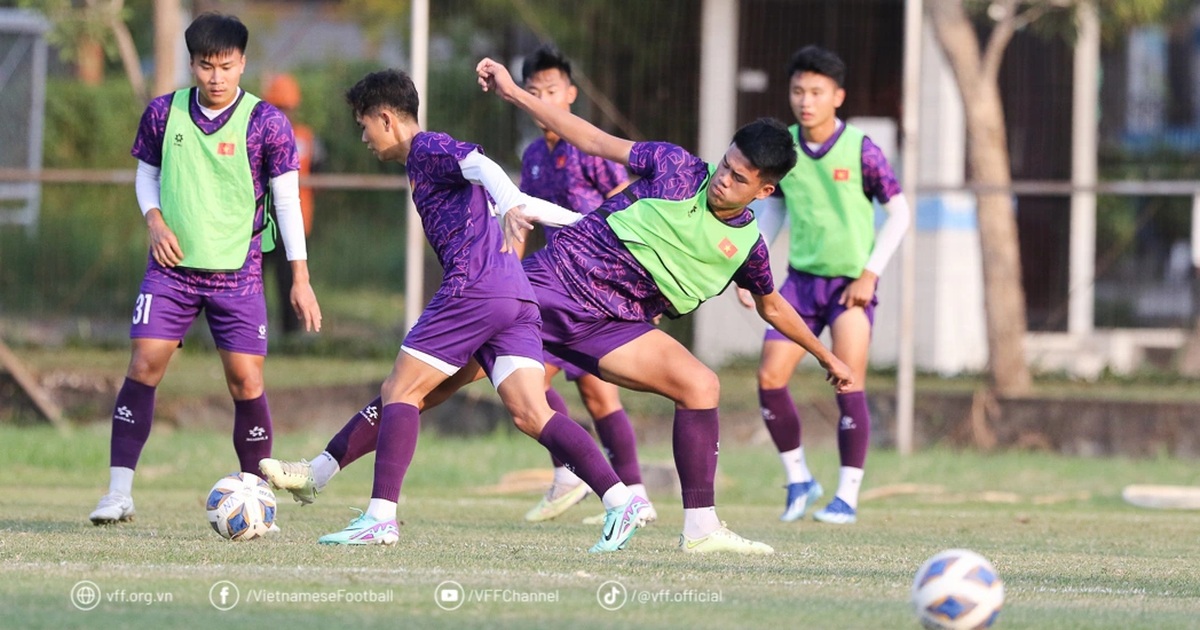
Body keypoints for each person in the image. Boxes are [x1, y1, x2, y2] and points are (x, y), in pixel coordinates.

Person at [262, 57, 857, 555]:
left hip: (615, 325)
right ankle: (320, 472)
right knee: (430, 386)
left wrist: (823, 354)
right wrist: (518, 95)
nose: (721, 178)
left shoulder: (747, 245)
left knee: (701, 386)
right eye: (725, 164)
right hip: (548, 288)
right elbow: (591, 136)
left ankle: (698, 527)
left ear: (765, 189)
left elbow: (772, 304)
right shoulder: (679, 168)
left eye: (737, 177)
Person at [299, 68, 649, 551]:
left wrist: (506, 204)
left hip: (475, 289)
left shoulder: (427, 148)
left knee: (400, 388)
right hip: (516, 294)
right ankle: (619, 497)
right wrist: (587, 226)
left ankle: (380, 516)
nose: (363, 137)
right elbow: (524, 200)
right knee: (532, 413)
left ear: (385, 119)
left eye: (363, 125)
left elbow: (480, 164)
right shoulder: (420, 163)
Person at [88, 12, 322, 526]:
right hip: (170, 271)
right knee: (144, 363)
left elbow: (286, 202)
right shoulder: (162, 113)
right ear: (192, 63)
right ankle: (119, 492)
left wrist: (300, 278)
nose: (216, 77)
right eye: (205, 65)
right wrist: (153, 219)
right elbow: (146, 178)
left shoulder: (268, 123)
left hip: (237, 274)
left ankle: (259, 499)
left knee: (245, 380)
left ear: (243, 63)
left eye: (227, 66)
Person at [738, 45, 911, 525]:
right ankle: (798, 479)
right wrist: (747, 264)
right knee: (770, 378)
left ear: (837, 96)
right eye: (798, 91)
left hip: (851, 287)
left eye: (816, 92)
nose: (805, 100)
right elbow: (773, 207)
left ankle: (847, 497)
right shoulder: (784, 149)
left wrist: (870, 271)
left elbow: (899, 212)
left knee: (847, 381)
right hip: (799, 286)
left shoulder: (861, 149)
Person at [516, 45, 651, 524]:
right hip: (557, 283)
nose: (542, 99)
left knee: (536, 379)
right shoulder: (532, 155)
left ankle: (584, 477)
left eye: (550, 90)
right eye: (532, 92)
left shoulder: (587, 147)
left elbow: (626, 198)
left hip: (598, 285)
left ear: (570, 94)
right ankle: (627, 491)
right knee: (581, 390)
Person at [262, 73, 322, 335]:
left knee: (290, 280)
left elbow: (321, 171)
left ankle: (291, 335)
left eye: (286, 108)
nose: (283, 113)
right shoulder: (259, 135)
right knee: (253, 280)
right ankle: (252, 332)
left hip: (296, 219)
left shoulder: (307, 137)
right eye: (279, 107)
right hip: (261, 221)